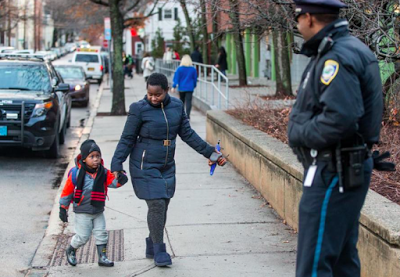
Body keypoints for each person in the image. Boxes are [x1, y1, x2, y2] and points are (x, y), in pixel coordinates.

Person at [288, 1, 389, 276]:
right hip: (341, 167)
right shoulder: (342, 49)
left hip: (333, 170)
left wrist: (299, 132)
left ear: (309, 18)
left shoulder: (337, 56)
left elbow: (340, 119)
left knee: (315, 263)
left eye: (298, 18)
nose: (297, 24)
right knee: (343, 261)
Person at [111, 73, 226, 267]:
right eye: (150, 94)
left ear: (166, 90)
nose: (153, 98)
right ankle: (159, 250)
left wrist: (211, 153)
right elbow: (127, 138)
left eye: (158, 94)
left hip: (166, 165)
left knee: (163, 205)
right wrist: (117, 164)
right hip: (144, 164)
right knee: (156, 204)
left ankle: (151, 242)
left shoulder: (176, 107)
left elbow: (188, 134)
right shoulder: (139, 109)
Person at [59, 139, 128, 267]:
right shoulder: (76, 173)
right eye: (92, 156)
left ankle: (102, 257)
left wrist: (121, 178)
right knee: (83, 237)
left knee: (101, 234)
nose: (96, 159)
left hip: (98, 210)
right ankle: (71, 249)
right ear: (84, 159)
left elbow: (113, 182)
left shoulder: (104, 172)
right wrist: (63, 208)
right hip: (82, 211)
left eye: (98, 156)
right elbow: (67, 192)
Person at [171, 55, 197, 119]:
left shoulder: (179, 69)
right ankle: (188, 115)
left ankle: (182, 115)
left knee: (181, 101)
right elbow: (195, 79)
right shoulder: (193, 69)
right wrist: (194, 85)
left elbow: (176, 78)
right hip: (190, 87)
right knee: (189, 101)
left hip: (182, 87)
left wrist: (173, 86)